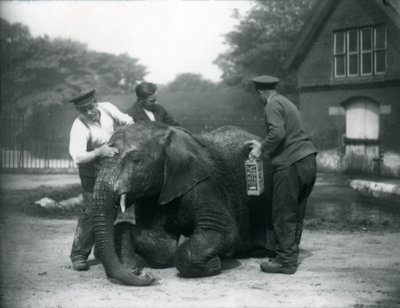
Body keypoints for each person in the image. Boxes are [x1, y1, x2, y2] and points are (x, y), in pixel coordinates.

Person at [246, 75, 317, 274]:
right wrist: (262, 143)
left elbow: (277, 133)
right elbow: (288, 133)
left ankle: (285, 262)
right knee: (296, 214)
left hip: (290, 164)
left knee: (283, 214)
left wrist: (261, 149)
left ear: (260, 92)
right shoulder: (286, 102)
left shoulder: (271, 105)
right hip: (308, 160)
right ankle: (287, 255)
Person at [68, 88, 134, 271]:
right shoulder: (79, 126)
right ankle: (78, 255)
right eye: (83, 110)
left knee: (111, 208)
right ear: (79, 111)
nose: (89, 112)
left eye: (90, 107)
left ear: (96, 102)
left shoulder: (107, 108)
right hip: (91, 170)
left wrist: (126, 135)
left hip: (110, 168)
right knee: (91, 210)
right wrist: (99, 152)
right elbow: (77, 157)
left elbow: (127, 120)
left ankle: (102, 250)